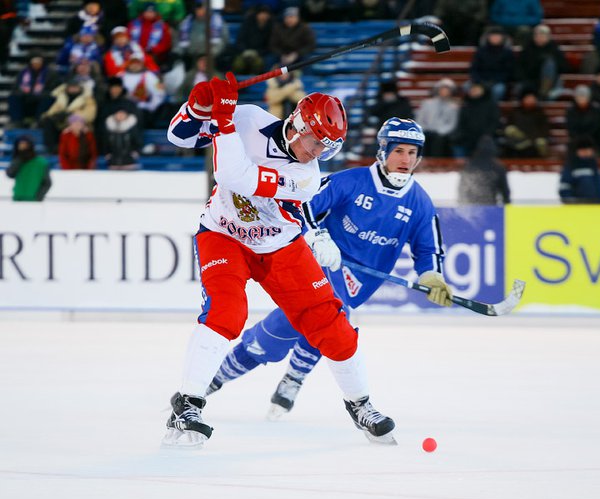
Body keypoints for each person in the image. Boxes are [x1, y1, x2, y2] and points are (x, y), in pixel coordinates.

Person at [205, 117, 452, 441]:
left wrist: (432, 276)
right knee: (332, 315)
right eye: (399, 151)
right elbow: (302, 205)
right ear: (383, 150)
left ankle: (252, 376)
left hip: (359, 285)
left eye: (412, 152)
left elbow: (428, 248)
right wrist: (320, 239)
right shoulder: (350, 181)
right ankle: (234, 380)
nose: (405, 159)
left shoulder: (420, 203)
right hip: (321, 265)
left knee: (297, 326)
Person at [163, 74, 364, 447]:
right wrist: (197, 107)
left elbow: (234, 175)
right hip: (223, 235)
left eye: (327, 148)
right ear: (298, 125)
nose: (318, 153)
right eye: (316, 142)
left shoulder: (306, 177)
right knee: (226, 311)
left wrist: (222, 121)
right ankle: (187, 404)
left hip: (279, 245)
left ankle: (361, 404)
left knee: (327, 318)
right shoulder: (249, 118)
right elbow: (179, 137)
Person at [458, 134, 510, 205]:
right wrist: (507, 204)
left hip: (467, 206)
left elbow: (461, 188)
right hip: (488, 206)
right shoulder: (497, 167)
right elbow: (505, 190)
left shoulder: (468, 165)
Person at [559, 137, 600, 204]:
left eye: (588, 150)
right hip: (578, 207)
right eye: (583, 150)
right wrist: (572, 203)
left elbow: (598, 189)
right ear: (577, 151)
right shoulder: (571, 166)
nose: (586, 152)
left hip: (595, 206)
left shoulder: (595, 167)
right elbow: (564, 188)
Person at [5, 136, 52, 202]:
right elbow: (10, 174)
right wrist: (18, 159)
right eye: (20, 145)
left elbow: (47, 183)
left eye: (25, 144)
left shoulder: (41, 162)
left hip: (34, 200)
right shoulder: (18, 160)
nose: (22, 147)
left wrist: (39, 197)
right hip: (18, 198)